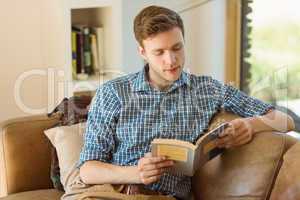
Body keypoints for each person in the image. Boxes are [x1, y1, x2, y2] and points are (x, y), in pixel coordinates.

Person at [77, 5, 295, 200]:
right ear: (142, 52)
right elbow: (87, 169)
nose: (171, 60)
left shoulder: (207, 90)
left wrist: (250, 125)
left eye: (177, 48)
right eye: (159, 52)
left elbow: (285, 120)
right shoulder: (113, 93)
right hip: (112, 193)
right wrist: (136, 173)